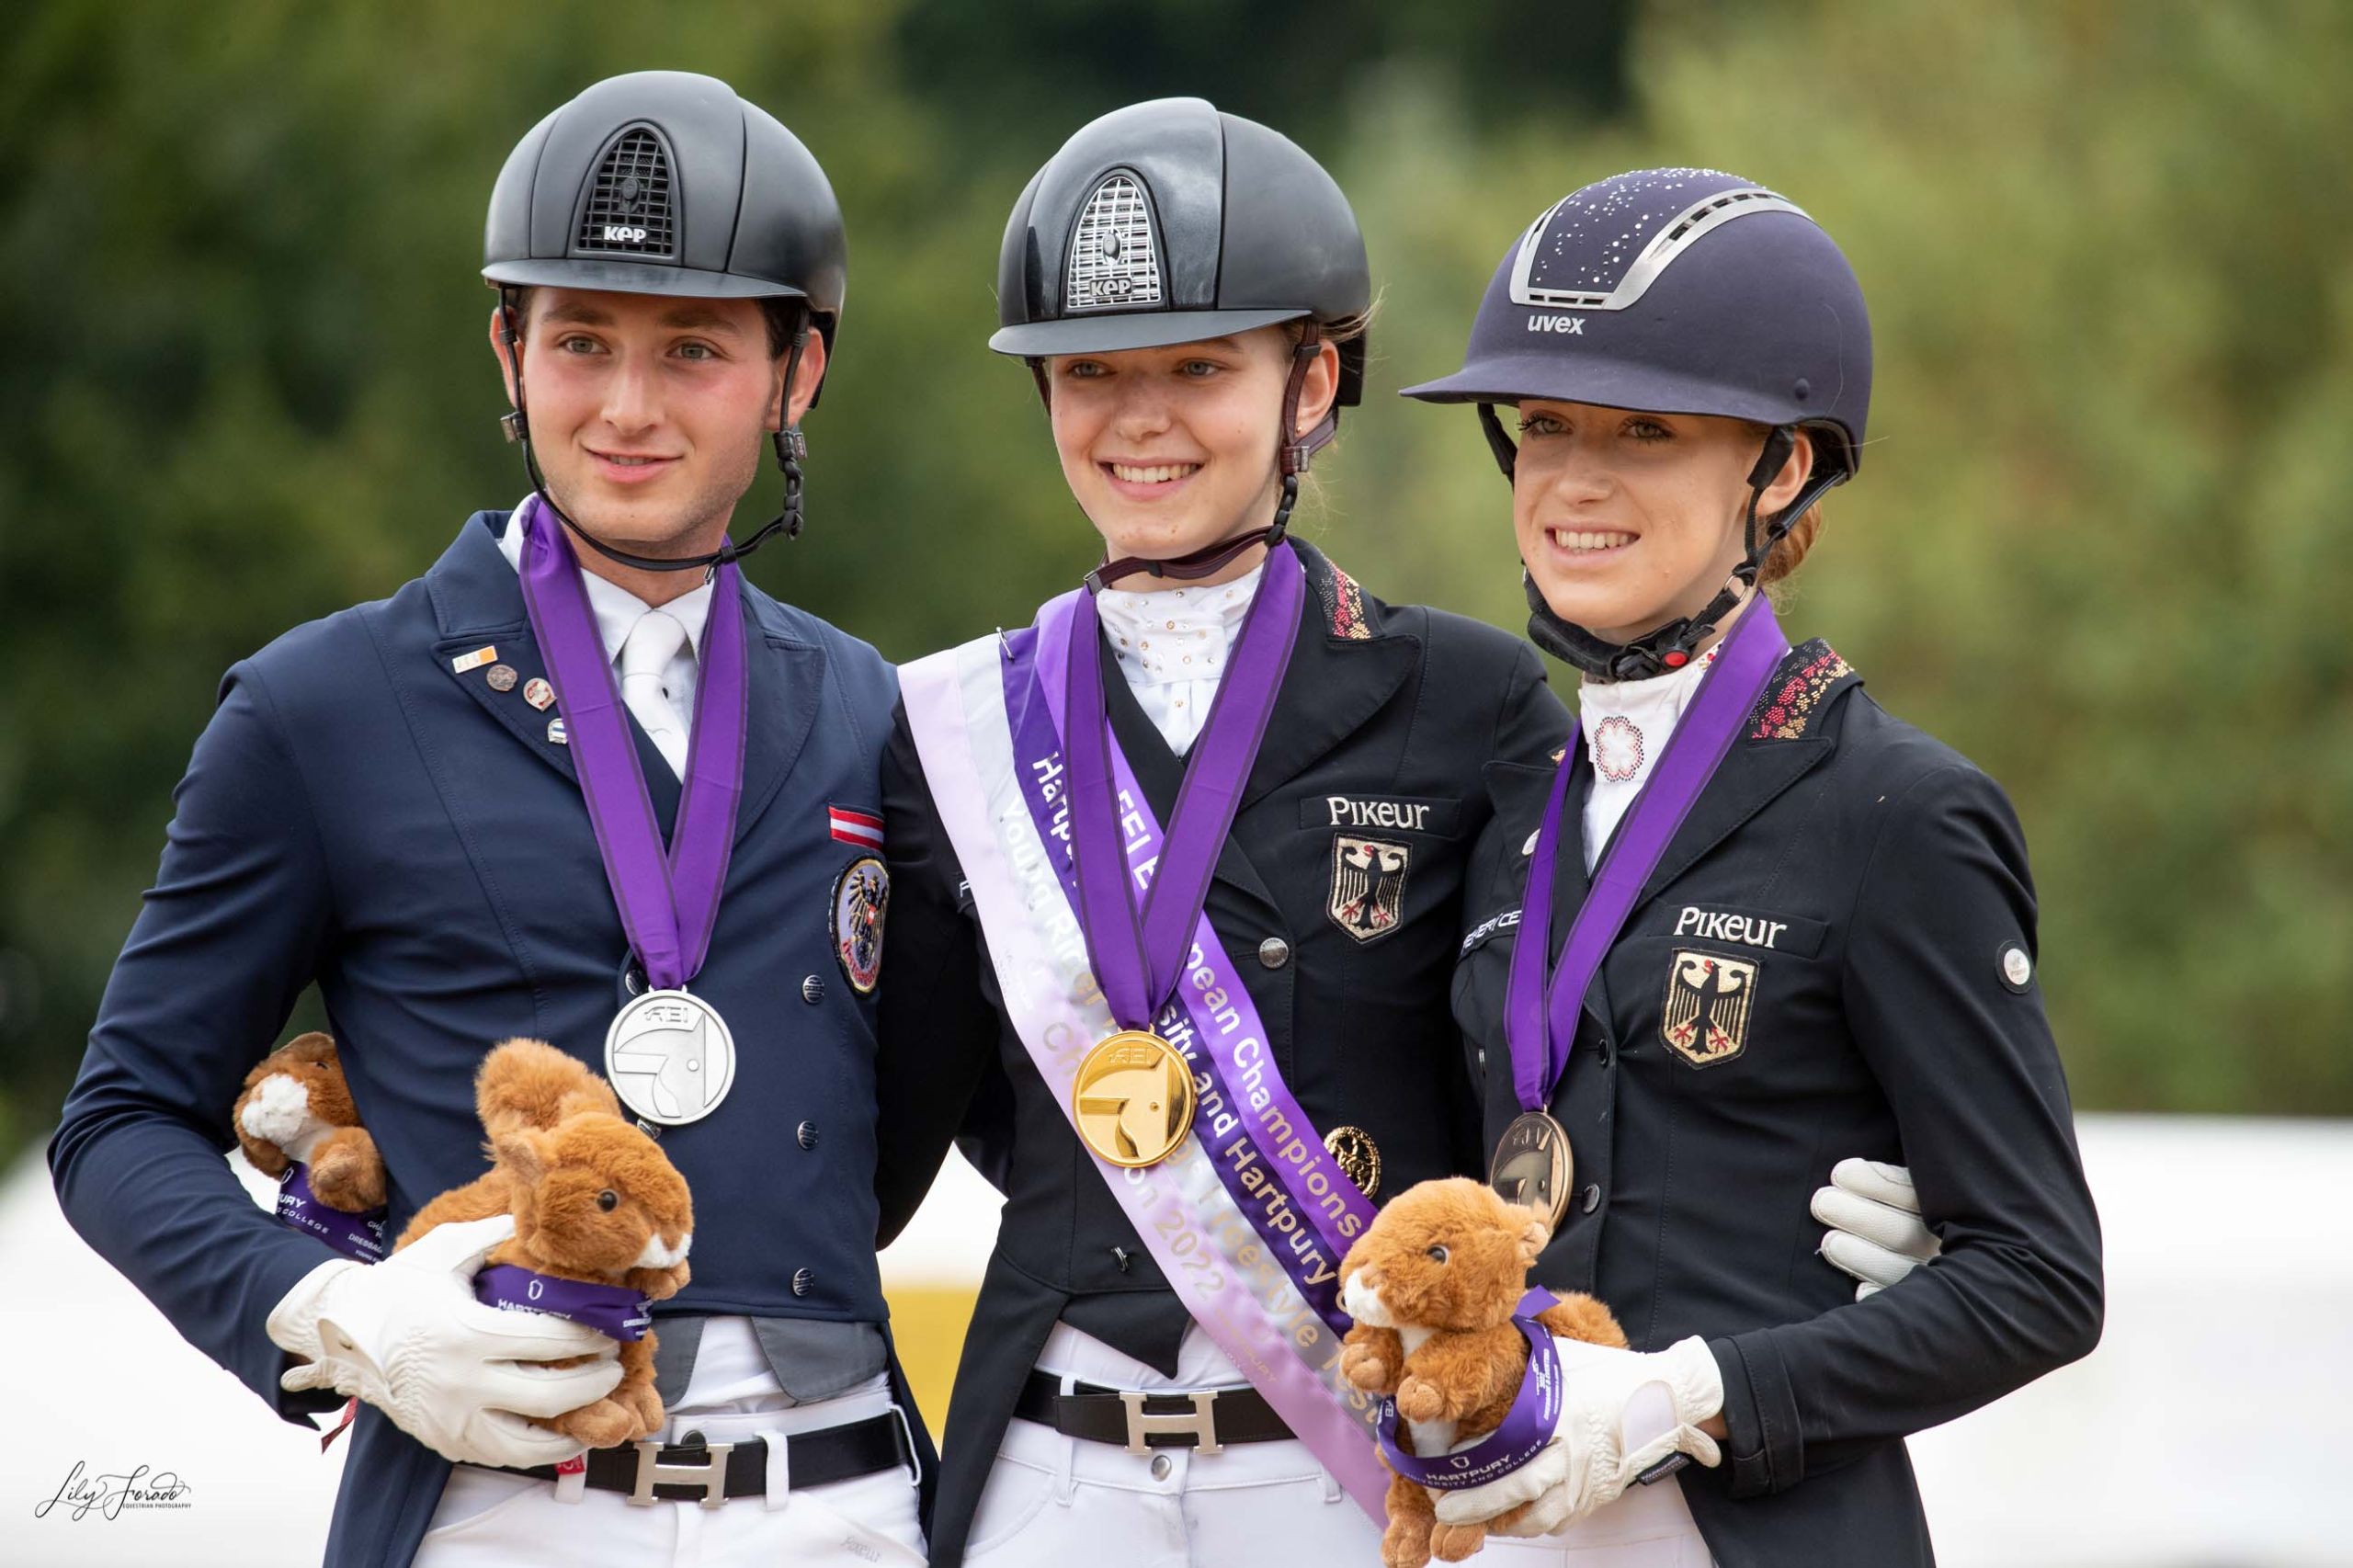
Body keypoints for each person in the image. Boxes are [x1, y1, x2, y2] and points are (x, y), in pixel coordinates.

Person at [873, 112, 1931, 1566]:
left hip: (1350, 1464)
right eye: (1091, 373)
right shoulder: (956, 728)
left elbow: (1559, 1043)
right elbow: (941, 1108)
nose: (1141, 417)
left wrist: (1839, 1174)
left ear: (1312, 381)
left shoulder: (1467, 700)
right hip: (1049, 1469)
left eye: (1199, 367)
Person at [50, 72, 931, 1568]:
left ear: (799, 373)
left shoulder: (875, 708)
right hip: (497, 1506)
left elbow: (905, 1116)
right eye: (580, 340)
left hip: (841, 1506)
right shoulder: (317, 706)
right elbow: (120, 1121)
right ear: (508, 353)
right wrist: (339, 1313)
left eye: (696, 349)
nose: (628, 407)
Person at [1403, 167, 2105, 1564]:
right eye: (1544, 425)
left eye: (1648, 431)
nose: (1576, 481)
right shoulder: (1520, 816)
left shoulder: (1898, 811)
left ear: (1777, 468)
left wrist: (1706, 1388)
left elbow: (2041, 1277)